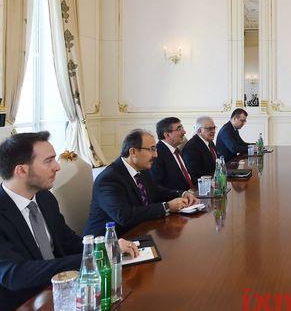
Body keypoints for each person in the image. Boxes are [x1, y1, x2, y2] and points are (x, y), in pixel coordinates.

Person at [0, 132, 138, 310]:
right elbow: (15, 275)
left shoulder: (45, 198)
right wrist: (94, 258)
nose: (57, 167)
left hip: (61, 293)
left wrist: (105, 248)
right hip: (22, 303)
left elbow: (69, 242)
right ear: (21, 170)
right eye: (48, 161)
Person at [84, 129, 198, 237]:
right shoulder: (108, 179)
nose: (156, 155)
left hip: (140, 231)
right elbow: (125, 216)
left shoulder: (141, 169)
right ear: (133, 152)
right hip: (108, 242)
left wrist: (182, 194)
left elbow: (156, 192)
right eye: (151, 149)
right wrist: (166, 207)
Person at [148, 117, 195, 192]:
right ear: (167, 135)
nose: (184, 132)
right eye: (179, 129)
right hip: (177, 197)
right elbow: (156, 186)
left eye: (182, 128)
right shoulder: (157, 154)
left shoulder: (176, 150)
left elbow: (187, 177)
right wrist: (181, 194)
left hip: (192, 193)